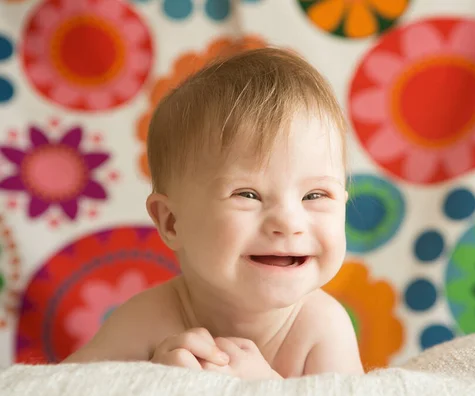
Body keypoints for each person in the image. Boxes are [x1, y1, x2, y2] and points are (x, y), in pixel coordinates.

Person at [63, 47, 364, 379]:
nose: (289, 223)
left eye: (315, 195)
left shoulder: (322, 327)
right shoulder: (149, 319)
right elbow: (56, 387)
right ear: (171, 222)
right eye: (247, 194)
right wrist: (151, 383)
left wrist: (264, 390)